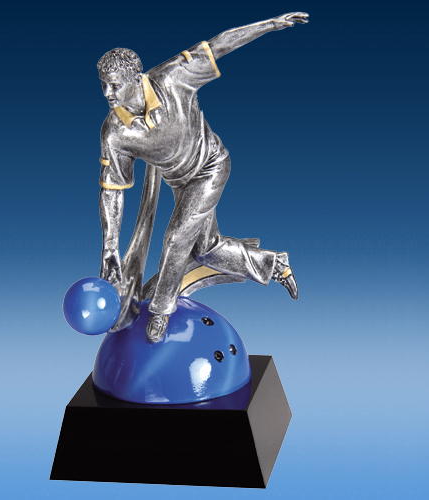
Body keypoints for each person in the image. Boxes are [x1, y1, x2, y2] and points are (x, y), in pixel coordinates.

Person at [98, 12, 308, 342]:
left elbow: (219, 45)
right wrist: (110, 246)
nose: (107, 93)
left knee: (176, 238)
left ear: (136, 79)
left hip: (211, 166)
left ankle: (160, 311)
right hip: (180, 182)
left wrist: (270, 25)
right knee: (207, 249)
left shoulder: (172, 78)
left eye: (115, 85)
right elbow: (112, 191)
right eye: (103, 85)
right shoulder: (114, 133)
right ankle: (274, 263)